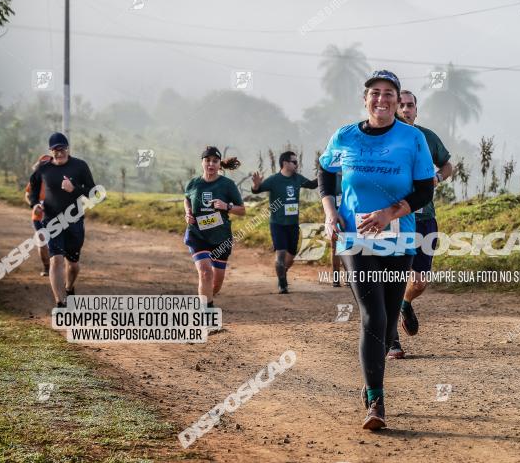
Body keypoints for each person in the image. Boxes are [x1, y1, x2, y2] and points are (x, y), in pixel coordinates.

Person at [318, 70, 435, 430]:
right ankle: (375, 399)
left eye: (389, 94)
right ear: (365, 98)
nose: (381, 100)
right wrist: (330, 212)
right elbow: (325, 171)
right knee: (373, 314)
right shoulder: (345, 135)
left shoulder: (412, 139)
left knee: (385, 326)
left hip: (399, 236)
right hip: (355, 237)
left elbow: (424, 191)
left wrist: (388, 213)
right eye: (375, 93)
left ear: (397, 101)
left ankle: (376, 370)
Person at [387, 90, 454, 359]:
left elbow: (448, 165)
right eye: (401, 105)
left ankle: (405, 303)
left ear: (416, 109)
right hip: (393, 220)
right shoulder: (385, 138)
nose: (406, 109)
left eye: (410, 105)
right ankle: (392, 340)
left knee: (419, 282)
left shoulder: (427, 137)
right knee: (390, 279)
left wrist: (437, 177)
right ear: (393, 109)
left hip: (425, 218)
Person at [27, 132, 97, 307]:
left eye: (62, 149)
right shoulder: (43, 169)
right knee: (56, 260)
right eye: (55, 150)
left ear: (68, 148)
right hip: (51, 221)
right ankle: (60, 303)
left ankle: (69, 287)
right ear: (50, 151)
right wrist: (35, 204)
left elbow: (94, 194)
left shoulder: (80, 166)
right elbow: (33, 189)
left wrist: (74, 189)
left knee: (73, 265)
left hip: (74, 221)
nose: (59, 153)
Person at [183, 147, 246, 311]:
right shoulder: (193, 183)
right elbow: (187, 199)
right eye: (207, 160)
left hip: (221, 237)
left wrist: (227, 206)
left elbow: (242, 210)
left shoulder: (227, 185)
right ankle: (207, 316)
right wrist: (187, 213)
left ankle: (206, 300)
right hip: (197, 235)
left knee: (215, 284)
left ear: (219, 165)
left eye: (215, 161)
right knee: (205, 273)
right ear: (202, 162)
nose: (211, 164)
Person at [251, 151, 318, 294]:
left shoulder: (297, 178)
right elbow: (257, 190)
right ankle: (282, 283)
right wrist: (256, 185)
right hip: (278, 224)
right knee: (280, 253)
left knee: (291, 256)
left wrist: (325, 172)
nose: (296, 164)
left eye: (296, 162)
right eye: (294, 162)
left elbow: (313, 185)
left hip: (293, 224)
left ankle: (282, 272)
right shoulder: (274, 180)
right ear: (285, 163)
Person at [24, 154, 53, 277]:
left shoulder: (59, 177)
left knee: (55, 242)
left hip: (56, 216)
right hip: (38, 216)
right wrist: (34, 205)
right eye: (44, 165)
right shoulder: (35, 179)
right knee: (42, 241)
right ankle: (47, 267)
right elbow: (27, 195)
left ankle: (57, 265)